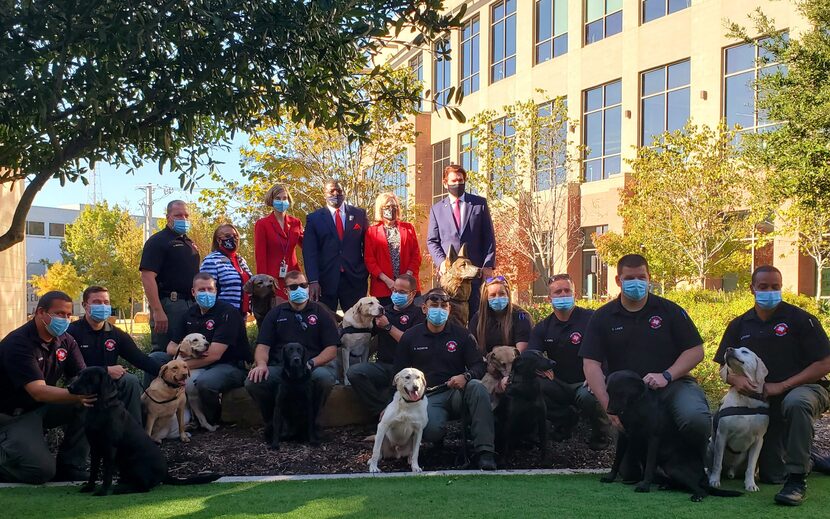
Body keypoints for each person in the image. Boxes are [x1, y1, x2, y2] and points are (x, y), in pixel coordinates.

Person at [580, 254, 711, 473]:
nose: (636, 282)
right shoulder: (603, 316)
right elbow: (590, 364)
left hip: (672, 384)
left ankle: (699, 466)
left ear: (649, 278)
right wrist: (609, 408)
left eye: (641, 277)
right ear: (618, 280)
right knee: (629, 473)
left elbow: (696, 351)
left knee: (695, 418)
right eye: (629, 277)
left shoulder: (670, 311)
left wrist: (667, 375)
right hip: (627, 394)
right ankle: (643, 463)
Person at [714, 265, 830, 506]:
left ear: (781, 287)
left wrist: (783, 385)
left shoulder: (801, 320)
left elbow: (825, 363)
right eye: (763, 287)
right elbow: (722, 367)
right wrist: (736, 379)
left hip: (803, 389)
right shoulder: (739, 325)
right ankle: (811, 459)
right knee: (771, 473)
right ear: (752, 288)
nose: (769, 291)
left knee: (796, 401)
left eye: (775, 287)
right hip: (760, 401)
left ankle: (797, 480)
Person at [395, 288, 497, 470]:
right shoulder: (410, 337)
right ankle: (437, 445)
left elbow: (480, 366)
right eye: (434, 305)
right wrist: (392, 404)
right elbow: (398, 375)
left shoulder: (462, 335)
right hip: (427, 398)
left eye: (444, 306)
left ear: (449, 310)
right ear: (424, 309)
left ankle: (485, 452)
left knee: (477, 387)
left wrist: (466, 376)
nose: (439, 310)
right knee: (433, 430)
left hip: (457, 392)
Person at [0, 291, 94, 484]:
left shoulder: (65, 341)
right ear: (41, 312)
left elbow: (81, 376)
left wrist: (95, 388)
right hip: (11, 416)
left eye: (68, 315)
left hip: (39, 409)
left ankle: (71, 466)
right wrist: (78, 396)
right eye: (59, 314)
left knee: (90, 403)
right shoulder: (19, 343)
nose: (65, 319)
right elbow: (38, 391)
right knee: (40, 471)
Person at [245, 270, 340, 446]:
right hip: (281, 368)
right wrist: (261, 364)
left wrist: (312, 362)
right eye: (294, 287)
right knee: (254, 381)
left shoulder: (320, 312)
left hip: (312, 366)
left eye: (303, 285)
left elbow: (331, 349)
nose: (300, 289)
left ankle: (313, 426)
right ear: (285, 290)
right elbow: (263, 346)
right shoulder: (275, 314)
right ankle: (275, 425)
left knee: (324, 379)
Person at [148, 273, 251, 428]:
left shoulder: (227, 313)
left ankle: (211, 419)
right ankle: (151, 409)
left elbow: (214, 355)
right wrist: (184, 350)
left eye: (210, 289)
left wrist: (179, 368)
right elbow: (170, 347)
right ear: (193, 292)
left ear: (216, 290)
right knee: (155, 359)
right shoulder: (189, 314)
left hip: (229, 365)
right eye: (201, 289)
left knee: (205, 382)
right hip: (195, 361)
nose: (206, 293)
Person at [528, 274, 611, 450]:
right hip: (558, 382)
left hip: (585, 381)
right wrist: (539, 369)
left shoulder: (591, 319)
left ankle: (601, 433)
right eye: (558, 292)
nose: (563, 294)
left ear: (575, 294)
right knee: (533, 385)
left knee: (590, 395)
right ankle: (565, 420)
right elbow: (531, 355)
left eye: (567, 291)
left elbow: (608, 349)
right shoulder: (543, 327)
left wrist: (600, 374)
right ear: (550, 298)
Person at [67, 286, 160, 425]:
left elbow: (140, 359)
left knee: (130, 381)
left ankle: (134, 433)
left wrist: (166, 372)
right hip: (83, 383)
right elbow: (70, 368)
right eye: (97, 302)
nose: (103, 306)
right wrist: (105, 370)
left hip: (108, 383)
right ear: (85, 306)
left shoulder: (115, 333)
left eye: (106, 302)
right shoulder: (72, 331)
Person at [348, 274, 425, 417]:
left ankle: (392, 414)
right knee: (355, 372)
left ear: (413, 293)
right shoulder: (383, 310)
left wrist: (388, 327)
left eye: (401, 292)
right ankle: (380, 412)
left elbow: (411, 342)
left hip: (406, 370)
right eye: (394, 290)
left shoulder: (418, 314)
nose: (396, 294)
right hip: (382, 365)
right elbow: (367, 335)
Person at [427, 164, 496, 314]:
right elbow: (432, 241)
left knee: (476, 316)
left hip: (475, 273)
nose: (457, 184)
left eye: (461, 180)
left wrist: (488, 265)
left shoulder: (479, 204)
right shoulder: (436, 209)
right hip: (450, 277)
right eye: (453, 181)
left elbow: (489, 237)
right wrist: (441, 263)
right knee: (449, 316)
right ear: (445, 183)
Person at [140, 200, 200, 352]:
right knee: (163, 353)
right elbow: (147, 277)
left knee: (188, 352)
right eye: (178, 215)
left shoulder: (189, 242)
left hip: (191, 304)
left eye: (186, 215)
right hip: (170, 305)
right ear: (168, 217)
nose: (183, 219)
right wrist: (158, 310)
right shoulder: (158, 241)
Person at [302, 179, 369, 312]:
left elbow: (368, 246)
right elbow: (310, 252)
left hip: (354, 279)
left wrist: (364, 271)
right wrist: (313, 280)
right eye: (331, 191)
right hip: (325, 281)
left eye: (339, 190)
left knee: (358, 323)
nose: (335, 193)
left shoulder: (359, 214)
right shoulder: (314, 219)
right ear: (324, 194)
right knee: (326, 322)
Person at [364, 192, 422, 306]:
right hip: (383, 287)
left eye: (394, 206)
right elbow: (369, 260)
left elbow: (416, 255)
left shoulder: (408, 228)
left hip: (408, 285)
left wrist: (406, 278)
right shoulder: (372, 231)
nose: (391, 209)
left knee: (413, 319)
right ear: (380, 209)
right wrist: (388, 281)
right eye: (387, 207)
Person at [254, 184, 304, 299]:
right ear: (271, 200)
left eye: (284, 198)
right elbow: (260, 256)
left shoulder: (296, 222)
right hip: (272, 279)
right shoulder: (262, 224)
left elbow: (307, 245)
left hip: (293, 277)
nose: (281, 201)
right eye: (278, 198)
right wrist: (263, 283)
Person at [467, 275, 532, 354]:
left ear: (507, 294)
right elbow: (471, 350)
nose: (497, 298)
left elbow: (521, 353)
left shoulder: (521, 316)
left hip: (513, 363)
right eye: (492, 295)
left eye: (501, 294)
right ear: (485, 298)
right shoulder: (478, 318)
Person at [200, 223, 253, 314]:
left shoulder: (241, 260)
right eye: (227, 236)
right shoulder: (211, 260)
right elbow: (205, 292)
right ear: (218, 240)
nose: (233, 238)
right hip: (221, 315)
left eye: (235, 236)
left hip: (241, 315)